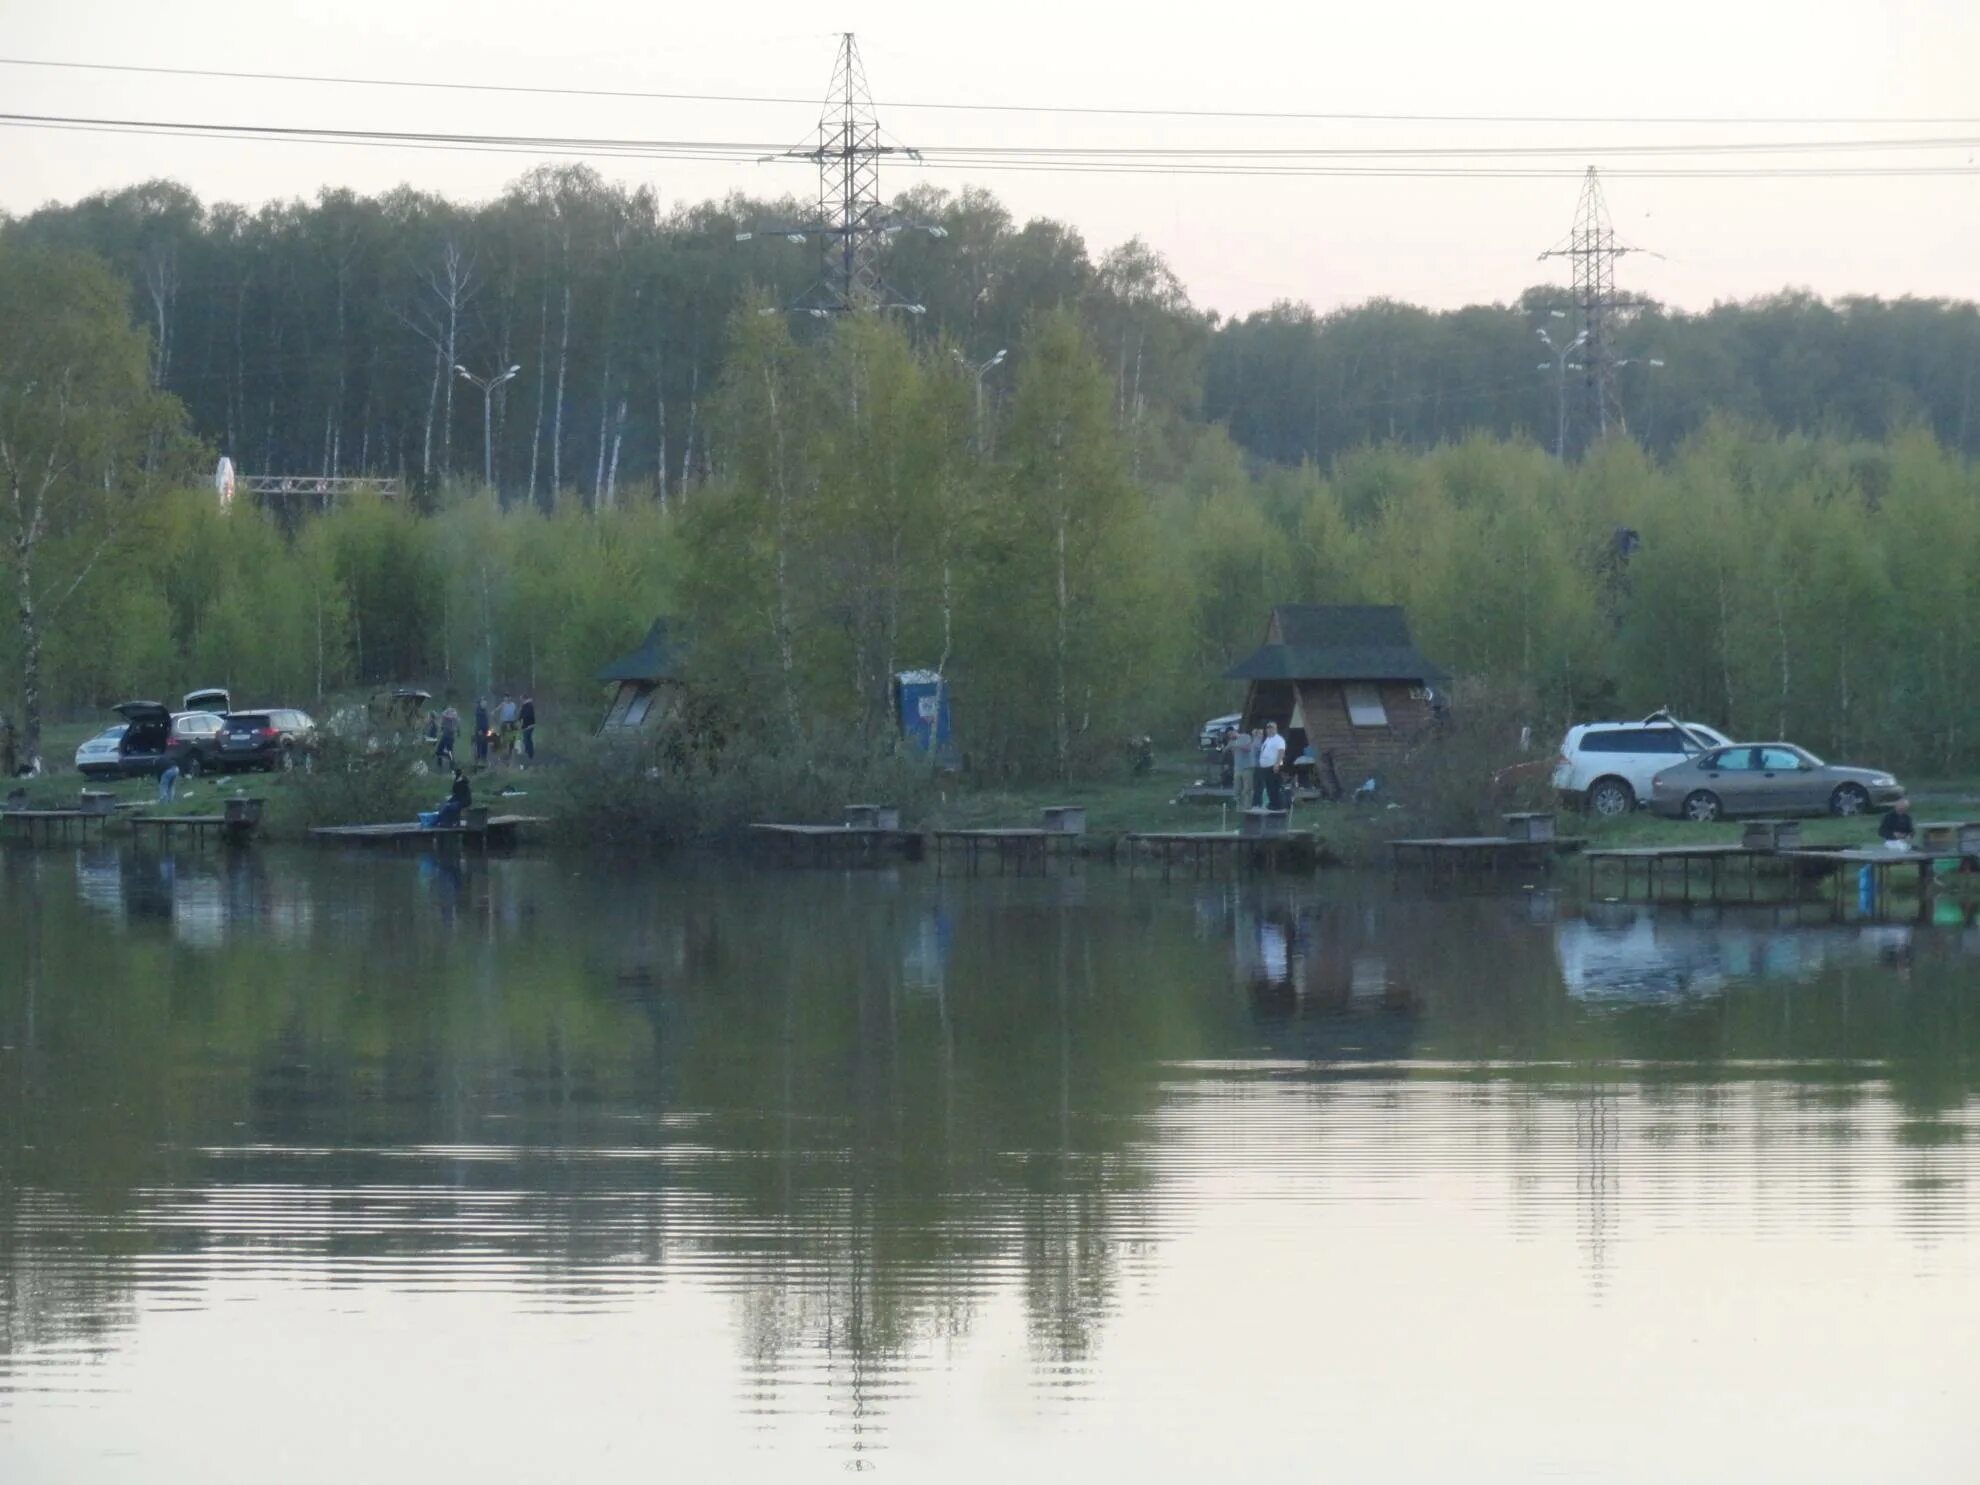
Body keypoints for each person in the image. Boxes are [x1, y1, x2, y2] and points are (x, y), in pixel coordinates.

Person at [1257, 721, 1287, 810]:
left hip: (1273, 766)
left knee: (1275, 786)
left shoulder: (1279, 739)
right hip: (1265, 767)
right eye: (1268, 728)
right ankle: (1272, 804)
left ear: (1276, 729)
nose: (1269, 730)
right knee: (1269, 787)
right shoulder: (1267, 739)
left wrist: (1277, 764)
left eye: (1272, 728)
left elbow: (1281, 752)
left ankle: (1277, 805)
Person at [1227, 725, 1256, 801]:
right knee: (1237, 787)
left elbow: (1248, 748)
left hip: (1247, 766)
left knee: (1247, 787)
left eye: (1231, 734)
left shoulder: (1245, 737)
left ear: (1234, 731)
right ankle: (1238, 805)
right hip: (1238, 767)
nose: (1230, 736)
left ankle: (1247, 805)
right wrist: (1228, 748)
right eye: (1228, 735)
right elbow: (1226, 750)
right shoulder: (1231, 741)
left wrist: (1237, 746)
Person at [473, 698, 491, 767]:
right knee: (479, 744)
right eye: (484, 703)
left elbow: (486, 721)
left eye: (486, 703)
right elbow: (478, 722)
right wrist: (479, 730)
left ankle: (484, 759)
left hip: (485, 730)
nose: (485, 705)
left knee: (485, 744)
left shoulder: (485, 710)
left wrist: (488, 730)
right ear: (481, 703)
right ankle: (479, 759)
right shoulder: (478, 711)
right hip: (480, 730)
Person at [519, 694, 536, 764]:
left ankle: (529, 754)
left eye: (521, 699)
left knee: (526, 740)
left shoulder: (527, 706)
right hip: (529, 725)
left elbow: (524, 715)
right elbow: (521, 715)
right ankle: (529, 754)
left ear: (524, 699)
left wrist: (520, 720)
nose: (521, 700)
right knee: (527, 739)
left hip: (528, 726)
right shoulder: (528, 705)